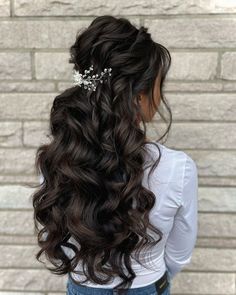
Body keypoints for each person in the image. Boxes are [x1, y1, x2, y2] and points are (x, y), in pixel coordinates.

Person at [32, 15, 198, 295]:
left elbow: (54, 233)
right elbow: (180, 250)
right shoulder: (177, 167)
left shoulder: (58, 156)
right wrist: (156, 271)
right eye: (159, 84)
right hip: (147, 286)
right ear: (138, 96)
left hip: (82, 287)